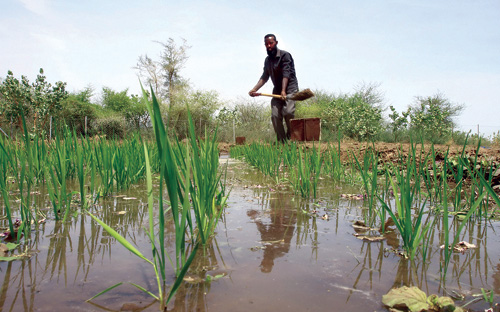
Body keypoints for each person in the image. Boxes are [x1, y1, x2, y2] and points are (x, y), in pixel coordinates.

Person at [249, 34, 299, 142]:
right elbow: (265, 77)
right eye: (266, 44)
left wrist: (283, 90)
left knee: (288, 112)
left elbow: (286, 74)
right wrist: (254, 89)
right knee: (275, 115)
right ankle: (282, 141)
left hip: (290, 88)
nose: (269, 46)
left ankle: (291, 137)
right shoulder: (267, 60)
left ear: (276, 43)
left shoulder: (285, 55)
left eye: (271, 43)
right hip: (277, 90)